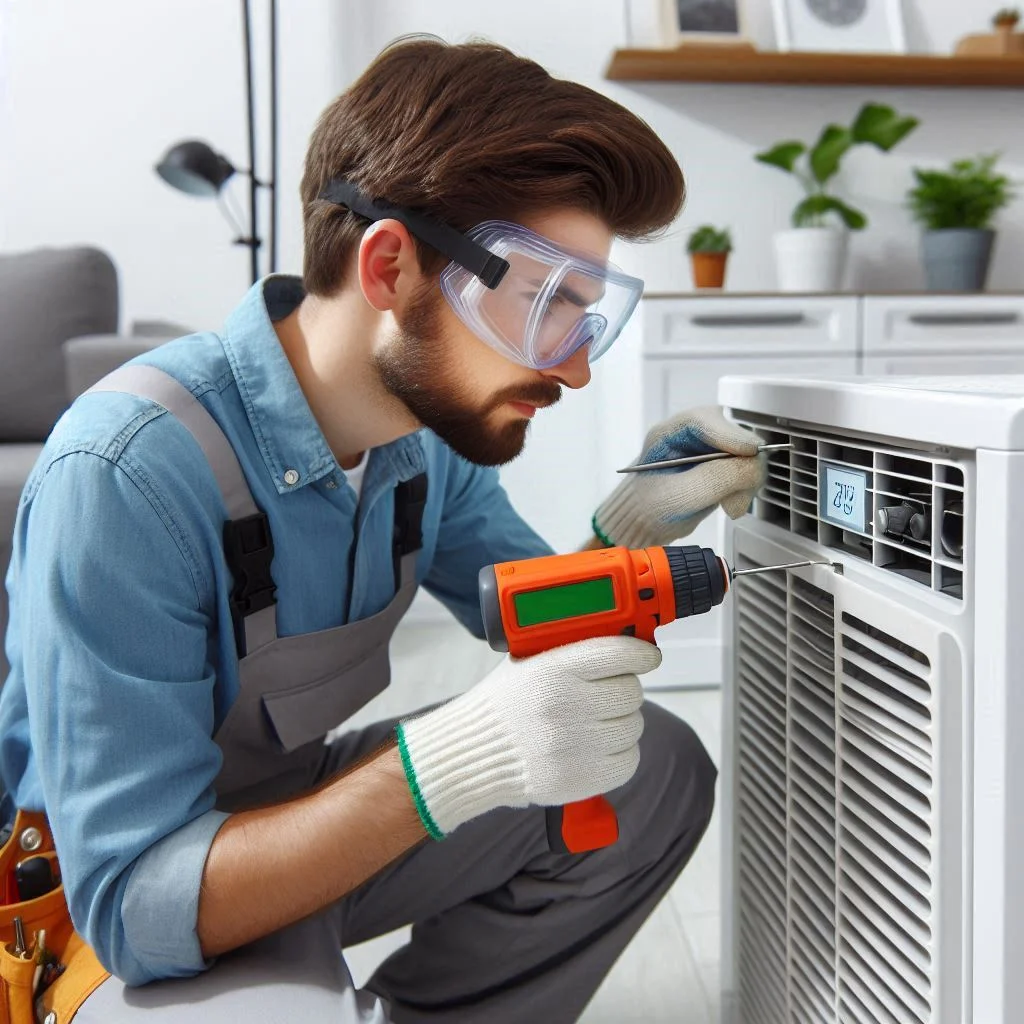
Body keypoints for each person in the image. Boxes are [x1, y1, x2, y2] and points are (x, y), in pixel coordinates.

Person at [0, 37, 764, 1023]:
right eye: (543, 307)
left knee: (650, 770)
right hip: (91, 912)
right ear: (392, 265)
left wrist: (632, 517)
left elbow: (534, 612)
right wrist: (451, 763)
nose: (572, 370)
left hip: (276, 804)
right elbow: (131, 910)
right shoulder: (127, 472)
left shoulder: (423, 443)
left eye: (587, 321)